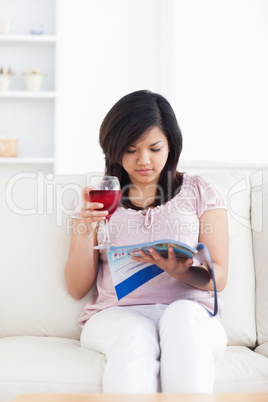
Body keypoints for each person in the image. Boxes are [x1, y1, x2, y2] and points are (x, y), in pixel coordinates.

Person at [65, 90, 229, 393]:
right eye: (130, 150)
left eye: (154, 148)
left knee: (181, 317)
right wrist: (84, 231)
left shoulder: (201, 191)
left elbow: (220, 276)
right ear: (114, 150)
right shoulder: (95, 200)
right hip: (116, 314)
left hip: (191, 310)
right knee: (133, 334)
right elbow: (76, 288)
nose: (143, 160)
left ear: (171, 145)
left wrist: (182, 272)